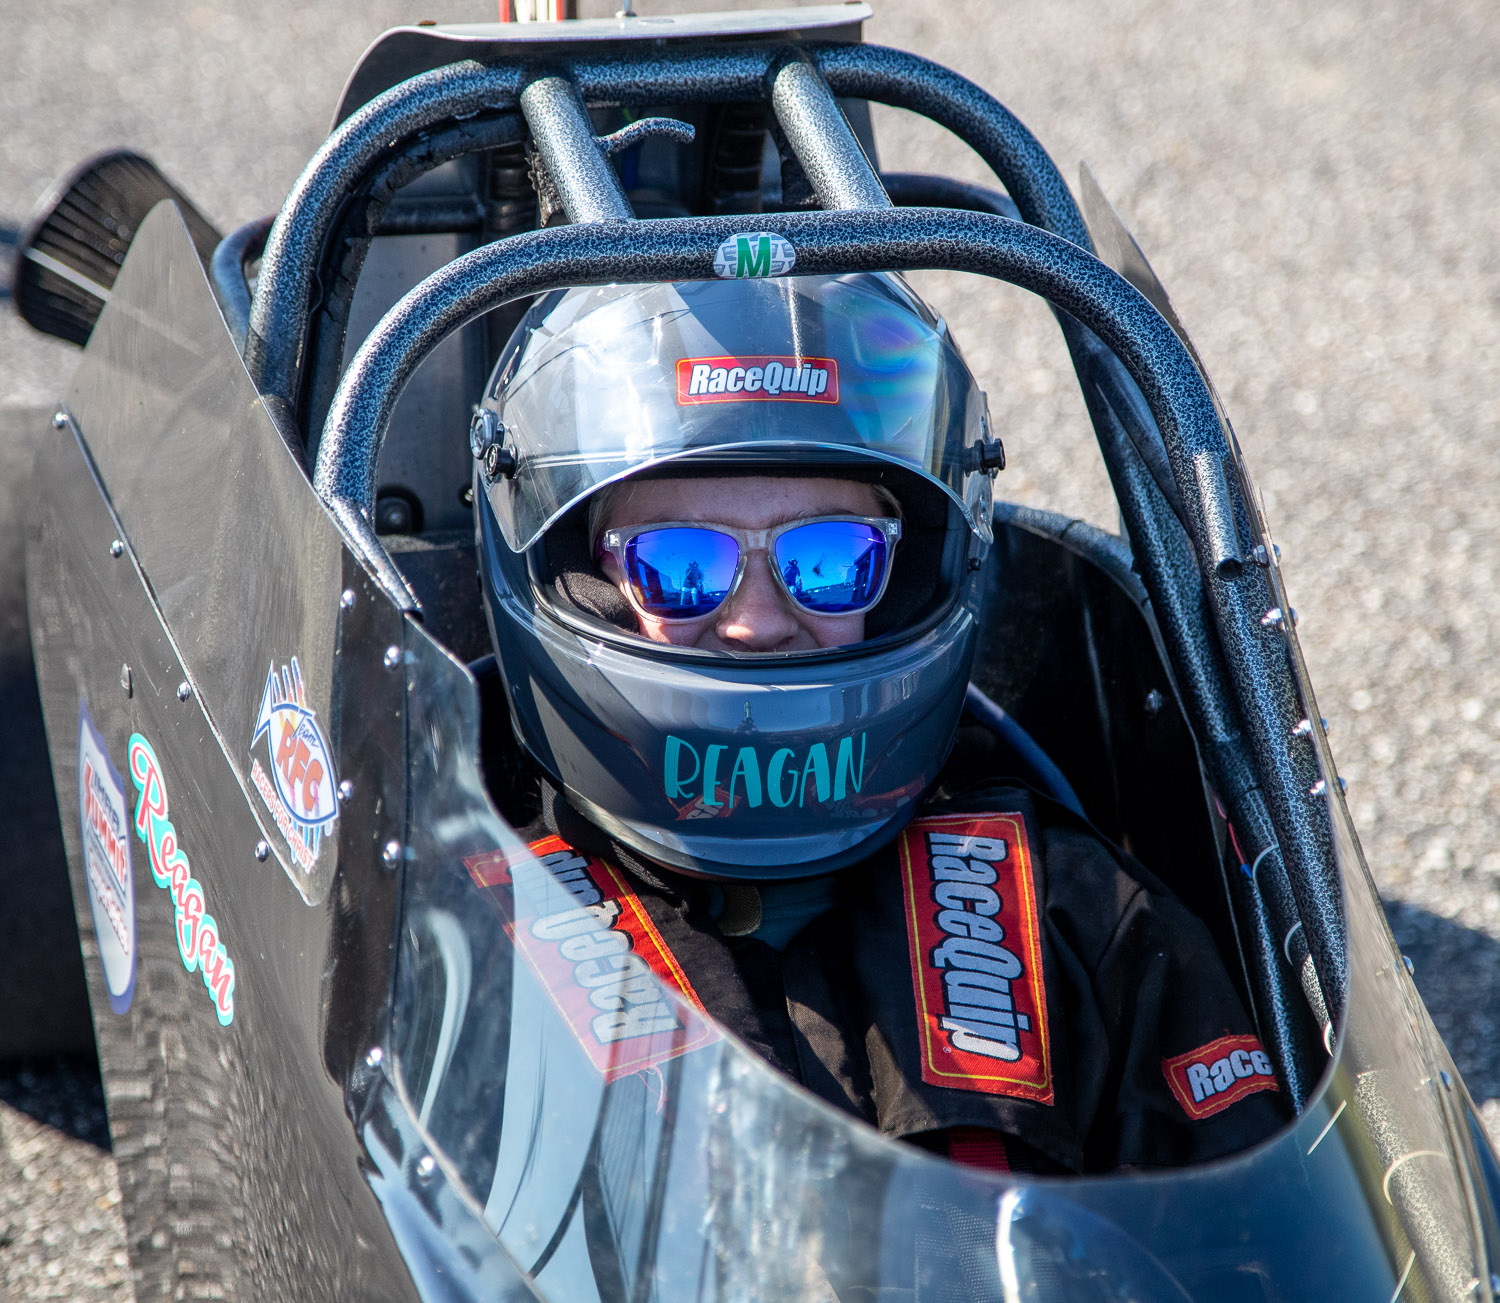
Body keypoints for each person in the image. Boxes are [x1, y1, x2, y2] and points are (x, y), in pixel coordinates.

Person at [472, 272, 1287, 1174]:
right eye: (682, 565)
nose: (757, 620)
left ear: (899, 579)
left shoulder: (1075, 910)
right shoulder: (473, 929)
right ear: (589, 585)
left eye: (827, 560)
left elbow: (1246, 1238)